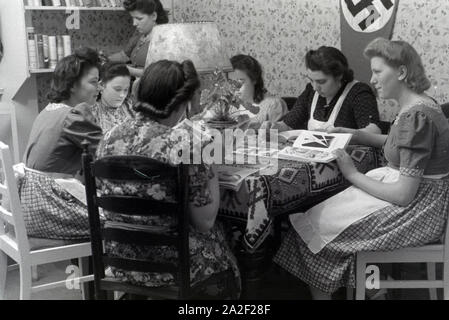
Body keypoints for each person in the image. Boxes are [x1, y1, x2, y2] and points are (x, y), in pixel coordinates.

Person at [274, 38, 449, 300]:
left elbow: (403, 195)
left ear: (401, 72)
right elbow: (398, 144)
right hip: (420, 197)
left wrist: (352, 174)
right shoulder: (419, 105)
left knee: (313, 232)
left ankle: (367, 288)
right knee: (318, 217)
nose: (373, 79)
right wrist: (354, 134)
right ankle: (373, 289)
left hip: (418, 209)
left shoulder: (416, 117)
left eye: (378, 71)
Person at [96, 59, 241, 298]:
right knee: (228, 242)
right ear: (180, 103)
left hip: (123, 261)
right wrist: (210, 163)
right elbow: (204, 221)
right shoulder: (188, 145)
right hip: (177, 265)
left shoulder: (109, 138)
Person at [20, 47, 103, 240]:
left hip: (32, 204)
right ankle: (109, 270)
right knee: (119, 219)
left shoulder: (48, 110)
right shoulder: (72, 115)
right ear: (72, 85)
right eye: (93, 82)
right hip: (47, 205)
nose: (99, 87)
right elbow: (106, 153)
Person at [263, 46, 381, 133]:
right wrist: (273, 127)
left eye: (321, 82)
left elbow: (374, 131)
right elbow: (289, 124)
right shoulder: (310, 91)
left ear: (339, 75)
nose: (315, 87)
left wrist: (344, 134)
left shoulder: (358, 92)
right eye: (311, 80)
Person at [108, 0, 169, 78]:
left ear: (154, 16)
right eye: (133, 18)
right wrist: (107, 60)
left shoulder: (163, 40)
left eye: (139, 19)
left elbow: (159, 75)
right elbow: (125, 55)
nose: (134, 23)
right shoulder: (140, 33)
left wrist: (131, 71)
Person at [229, 54, 288, 127]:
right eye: (230, 82)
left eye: (240, 82)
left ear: (254, 79)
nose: (234, 88)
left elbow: (276, 136)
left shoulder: (273, 105)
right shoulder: (228, 108)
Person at [91, 62, 134, 133]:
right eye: (117, 89)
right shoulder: (91, 114)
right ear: (101, 85)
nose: (122, 95)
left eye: (126, 89)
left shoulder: (132, 107)